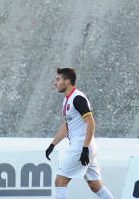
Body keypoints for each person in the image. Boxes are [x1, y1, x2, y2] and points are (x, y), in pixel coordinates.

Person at [45, 67, 114, 199]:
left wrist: (84, 148)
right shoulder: (67, 100)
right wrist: (52, 145)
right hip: (86, 147)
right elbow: (67, 125)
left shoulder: (78, 99)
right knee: (95, 186)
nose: (55, 83)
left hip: (82, 146)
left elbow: (91, 123)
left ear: (68, 81)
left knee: (60, 182)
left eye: (58, 79)